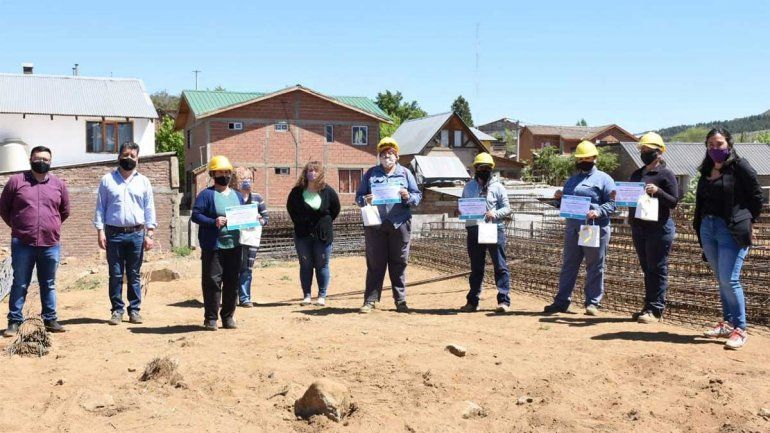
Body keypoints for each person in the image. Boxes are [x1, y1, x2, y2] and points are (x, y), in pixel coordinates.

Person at [694, 127, 762, 350]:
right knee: (721, 279)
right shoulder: (705, 169)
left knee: (730, 280)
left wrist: (751, 222)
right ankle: (728, 323)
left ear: (729, 145)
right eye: (711, 145)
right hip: (708, 228)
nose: (715, 148)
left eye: (719, 144)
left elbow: (756, 195)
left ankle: (740, 329)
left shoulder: (740, 166)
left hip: (730, 229)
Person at [1, 146, 70, 337]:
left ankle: (50, 319)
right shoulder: (16, 182)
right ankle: (14, 321)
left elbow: (64, 211)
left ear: (51, 161)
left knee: (48, 283)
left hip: (50, 244)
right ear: (30, 159)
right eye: (38, 158)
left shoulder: (59, 185)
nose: (42, 162)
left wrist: (51, 226)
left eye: (46, 159)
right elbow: (4, 209)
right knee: (20, 283)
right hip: (23, 243)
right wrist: (19, 227)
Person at [544, 140, 616, 316]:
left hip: (594, 228)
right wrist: (558, 199)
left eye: (587, 157)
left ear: (595, 158)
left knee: (594, 266)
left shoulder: (604, 179)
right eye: (581, 158)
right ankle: (561, 302)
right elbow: (565, 205)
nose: (584, 160)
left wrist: (598, 211)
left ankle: (592, 303)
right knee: (569, 265)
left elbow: (613, 204)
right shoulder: (572, 180)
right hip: (573, 229)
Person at [355, 137, 422, 313]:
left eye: (390, 153)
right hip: (376, 225)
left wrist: (408, 197)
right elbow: (358, 197)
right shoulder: (370, 174)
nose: (387, 156)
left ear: (397, 156)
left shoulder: (406, 174)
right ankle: (370, 300)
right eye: (383, 153)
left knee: (399, 262)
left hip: (400, 223)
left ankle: (400, 301)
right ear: (379, 156)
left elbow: (417, 196)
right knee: (375, 263)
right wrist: (365, 199)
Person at [94, 142, 156, 326]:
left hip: (137, 234)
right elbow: (100, 208)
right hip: (113, 234)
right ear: (119, 156)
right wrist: (100, 231)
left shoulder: (144, 181)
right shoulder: (107, 180)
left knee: (134, 274)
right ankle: (117, 310)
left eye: (133, 156)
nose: (129, 158)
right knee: (115, 274)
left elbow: (149, 208)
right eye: (126, 154)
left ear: (137, 159)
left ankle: (134, 310)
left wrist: (149, 233)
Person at [628, 133, 679, 323]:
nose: (644, 153)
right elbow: (629, 199)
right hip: (639, 227)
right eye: (642, 150)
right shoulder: (636, 174)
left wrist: (658, 192)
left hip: (659, 228)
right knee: (647, 268)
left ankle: (656, 309)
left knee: (657, 268)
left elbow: (674, 201)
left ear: (659, 153)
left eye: (647, 150)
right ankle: (648, 306)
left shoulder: (666, 175)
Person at [191, 155, 244, 331]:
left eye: (227, 172)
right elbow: (196, 215)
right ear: (213, 174)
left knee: (232, 282)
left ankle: (228, 317)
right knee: (212, 282)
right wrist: (213, 221)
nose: (224, 175)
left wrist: (254, 218)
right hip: (213, 246)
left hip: (234, 245)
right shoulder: (206, 195)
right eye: (220, 172)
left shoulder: (237, 195)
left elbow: (244, 215)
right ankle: (211, 318)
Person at [458, 153, 512, 313]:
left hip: (493, 228)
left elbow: (507, 208)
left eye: (487, 167)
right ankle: (473, 302)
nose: (484, 170)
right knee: (476, 268)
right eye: (481, 167)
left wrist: (494, 213)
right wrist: (460, 210)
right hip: (474, 230)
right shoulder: (468, 187)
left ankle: (503, 301)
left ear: (491, 169)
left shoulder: (498, 187)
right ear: (476, 169)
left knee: (500, 266)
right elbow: (463, 205)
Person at [286, 161, 341, 306]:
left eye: (316, 171)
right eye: (310, 170)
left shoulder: (327, 191)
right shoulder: (297, 192)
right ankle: (307, 295)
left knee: (322, 265)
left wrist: (324, 222)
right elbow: (291, 209)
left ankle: (322, 295)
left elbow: (336, 209)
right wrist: (301, 222)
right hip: (303, 234)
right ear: (305, 173)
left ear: (321, 173)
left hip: (322, 235)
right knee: (306, 265)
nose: (312, 173)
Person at [232, 166, 269, 308]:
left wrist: (260, 219)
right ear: (236, 181)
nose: (247, 182)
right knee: (234, 268)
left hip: (251, 238)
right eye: (243, 179)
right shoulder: (233, 197)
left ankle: (245, 298)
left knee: (247, 268)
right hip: (236, 238)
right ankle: (232, 297)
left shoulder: (257, 198)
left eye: (249, 179)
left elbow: (266, 218)